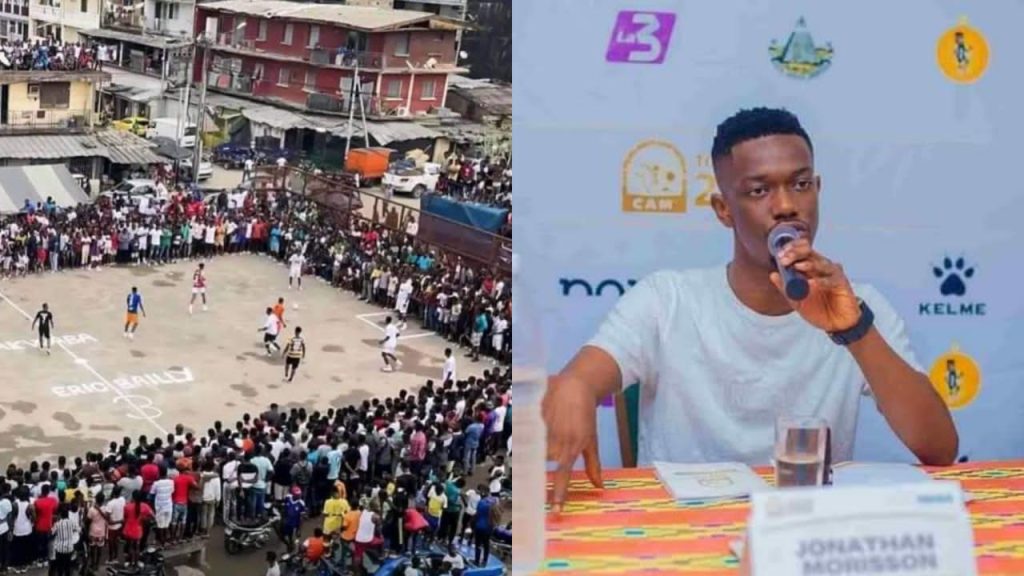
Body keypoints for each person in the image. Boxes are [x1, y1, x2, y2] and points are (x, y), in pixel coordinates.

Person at [543, 107, 959, 511]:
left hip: (804, 537)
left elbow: (939, 448)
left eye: (800, 185)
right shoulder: (666, 300)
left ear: (818, 189)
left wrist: (854, 330)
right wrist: (573, 388)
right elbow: (579, 380)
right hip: (685, 537)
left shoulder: (857, 305)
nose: (785, 206)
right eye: (759, 191)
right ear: (724, 210)